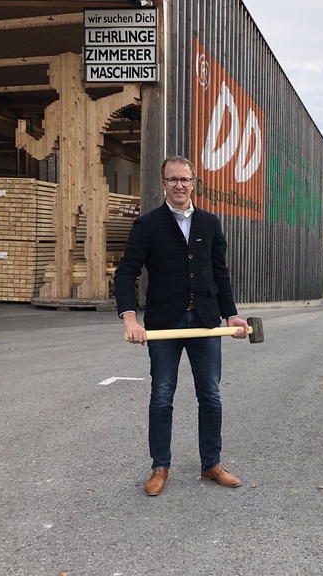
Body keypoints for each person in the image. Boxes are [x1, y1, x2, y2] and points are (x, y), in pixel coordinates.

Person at [114, 155, 249, 496]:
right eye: (172, 179)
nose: (179, 185)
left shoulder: (209, 223)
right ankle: (160, 466)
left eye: (184, 179)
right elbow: (126, 273)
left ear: (193, 183)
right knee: (161, 396)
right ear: (163, 184)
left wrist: (230, 314)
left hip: (205, 321)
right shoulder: (148, 225)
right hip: (164, 323)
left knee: (212, 396)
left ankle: (211, 464)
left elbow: (220, 274)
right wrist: (130, 318)